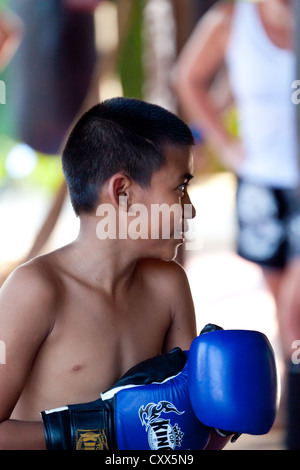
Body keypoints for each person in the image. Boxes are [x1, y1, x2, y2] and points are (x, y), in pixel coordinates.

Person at [0, 97, 230, 450]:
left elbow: (186, 432)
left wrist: (220, 417)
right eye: (181, 187)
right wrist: (101, 434)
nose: (191, 209)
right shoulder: (36, 290)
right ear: (122, 192)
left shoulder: (168, 285)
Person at [173, 0, 300, 448]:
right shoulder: (231, 20)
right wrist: (226, 147)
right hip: (263, 184)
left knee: (294, 306)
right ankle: (292, 402)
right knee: (288, 319)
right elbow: (187, 79)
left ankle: (294, 408)